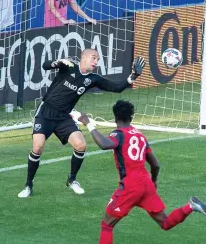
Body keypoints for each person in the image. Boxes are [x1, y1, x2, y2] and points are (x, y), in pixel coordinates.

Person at [77, 100, 206, 244]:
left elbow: (104, 144)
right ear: (131, 117)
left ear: (115, 116)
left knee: (107, 224)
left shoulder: (118, 134)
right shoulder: (140, 136)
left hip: (131, 186)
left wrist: (89, 124)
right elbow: (155, 165)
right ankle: (190, 206)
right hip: (146, 183)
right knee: (164, 223)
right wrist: (153, 181)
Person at [17, 51, 146, 198]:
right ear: (83, 57)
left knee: (81, 145)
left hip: (64, 116)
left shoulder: (93, 79)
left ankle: (72, 180)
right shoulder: (69, 66)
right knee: (38, 147)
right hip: (46, 113)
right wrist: (57, 62)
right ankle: (28, 185)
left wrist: (133, 76)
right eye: (94, 58)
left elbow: (116, 87)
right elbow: (45, 66)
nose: (96, 62)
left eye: (97, 59)